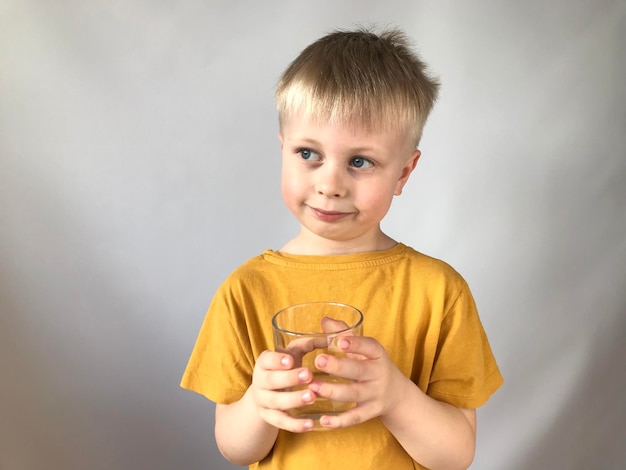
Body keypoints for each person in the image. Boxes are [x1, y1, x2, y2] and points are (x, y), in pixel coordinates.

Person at [181, 27, 503, 470]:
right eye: (308, 153)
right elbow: (236, 449)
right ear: (283, 150)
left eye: (360, 161)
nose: (329, 184)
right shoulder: (245, 290)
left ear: (404, 173)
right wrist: (260, 403)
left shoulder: (439, 291)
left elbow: (455, 455)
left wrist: (395, 396)